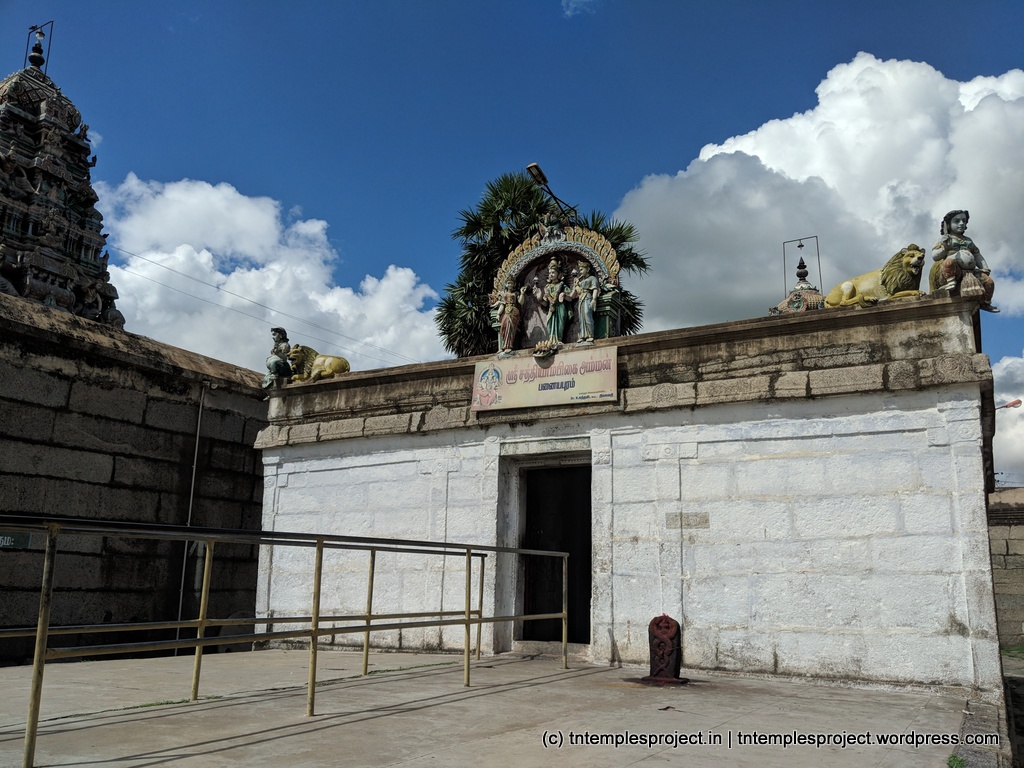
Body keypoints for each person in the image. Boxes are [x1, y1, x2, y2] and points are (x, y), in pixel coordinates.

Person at [932, 210, 998, 312]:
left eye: (964, 221)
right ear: (947, 225)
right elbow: (935, 256)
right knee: (948, 263)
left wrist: (984, 267)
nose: (961, 223)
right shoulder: (944, 239)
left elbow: (977, 255)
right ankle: (950, 282)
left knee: (989, 282)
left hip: (971, 272)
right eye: (957, 221)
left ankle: (986, 302)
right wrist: (945, 248)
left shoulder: (968, 240)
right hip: (954, 271)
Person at [571, 260, 600, 343]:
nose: (580, 271)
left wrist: (594, 299)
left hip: (588, 298)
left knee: (587, 315)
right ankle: (583, 335)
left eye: (582, 269)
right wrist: (576, 285)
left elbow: (595, 289)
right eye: (580, 270)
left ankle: (590, 334)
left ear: (587, 269)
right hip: (581, 299)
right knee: (581, 318)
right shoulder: (580, 281)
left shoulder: (592, 278)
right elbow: (578, 292)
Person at [493, 278, 522, 355]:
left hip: (514, 312)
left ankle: (509, 346)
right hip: (506, 311)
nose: (510, 285)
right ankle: (503, 346)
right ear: (506, 284)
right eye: (508, 283)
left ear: (514, 285)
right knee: (504, 327)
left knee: (510, 328)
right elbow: (502, 305)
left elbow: (521, 302)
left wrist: (522, 293)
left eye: (511, 283)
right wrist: (498, 314)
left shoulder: (516, 293)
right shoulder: (504, 294)